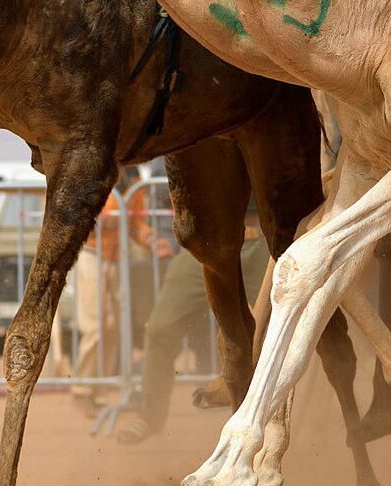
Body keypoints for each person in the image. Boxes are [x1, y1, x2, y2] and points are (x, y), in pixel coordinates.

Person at [116, 218, 271, 444]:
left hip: (264, 243)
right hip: (207, 241)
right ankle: (150, 415)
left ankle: (271, 422)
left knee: (277, 331)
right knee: (160, 328)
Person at [69, 166, 154, 412]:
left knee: (113, 325)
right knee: (97, 324)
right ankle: (83, 388)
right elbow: (76, 213)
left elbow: (137, 222)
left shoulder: (134, 177)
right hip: (90, 252)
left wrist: (149, 239)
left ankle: (100, 389)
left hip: (116, 255)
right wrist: (104, 220)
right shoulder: (90, 166)